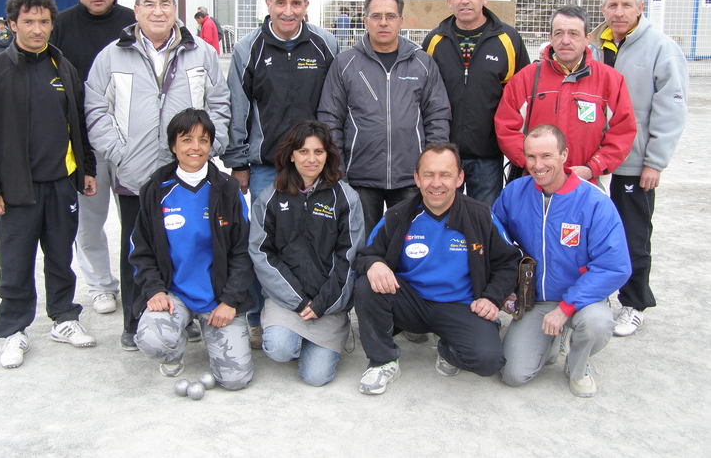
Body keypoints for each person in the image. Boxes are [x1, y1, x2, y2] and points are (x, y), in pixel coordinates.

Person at [85, 0, 230, 351]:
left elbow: (220, 102)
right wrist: (117, 151)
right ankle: (135, 320)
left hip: (190, 173)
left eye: (165, 3)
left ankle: (185, 314)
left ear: (175, 10)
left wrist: (213, 143)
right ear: (136, 11)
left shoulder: (201, 53)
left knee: (190, 242)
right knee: (138, 245)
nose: (158, 11)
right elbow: (95, 108)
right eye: (149, 4)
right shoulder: (112, 56)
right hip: (134, 174)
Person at [0, 0, 98, 369]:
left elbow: (78, 126)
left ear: (52, 24)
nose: (37, 29)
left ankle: (64, 319)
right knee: (16, 261)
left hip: (61, 183)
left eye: (44, 22)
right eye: (28, 22)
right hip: (15, 188)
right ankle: (12, 329)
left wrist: (86, 169)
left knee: (60, 256)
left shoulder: (62, 67)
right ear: (12, 24)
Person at [223, 0, 338, 347]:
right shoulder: (247, 49)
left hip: (315, 166)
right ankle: (259, 317)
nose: (288, 10)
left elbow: (337, 105)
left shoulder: (326, 44)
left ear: (306, 6)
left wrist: (334, 159)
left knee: (316, 240)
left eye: (296, 3)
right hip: (265, 169)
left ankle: (318, 312)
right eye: (281, 2)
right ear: (268, 4)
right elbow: (237, 109)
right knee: (262, 244)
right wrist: (239, 162)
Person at [352, 143, 520, 395]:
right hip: (411, 302)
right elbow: (366, 254)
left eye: (445, 174)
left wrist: (491, 297)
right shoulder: (399, 215)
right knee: (366, 284)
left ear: (460, 178)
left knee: (488, 362)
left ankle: (448, 348)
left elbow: (509, 262)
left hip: (461, 306)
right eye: (429, 175)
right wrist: (374, 264)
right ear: (417, 179)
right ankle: (383, 361)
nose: (436, 183)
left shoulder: (481, 216)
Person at [493, 124, 631, 397]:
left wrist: (567, 307)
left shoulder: (594, 202)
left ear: (564, 154)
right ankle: (551, 341)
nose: (537, 165)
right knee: (513, 374)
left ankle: (578, 367)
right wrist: (506, 290)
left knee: (596, 324)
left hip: (582, 299)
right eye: (530, 157)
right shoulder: (514, 193)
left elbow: (614, 266)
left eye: (546, 156)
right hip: (539, 299)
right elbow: (496, 241)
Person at [589, 0, 689, 337]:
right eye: (612, 5)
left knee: (633, 235)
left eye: (625, 5)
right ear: (603, 9)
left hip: (634, 162)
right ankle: (597, 295)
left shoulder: (661, 48)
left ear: (640, 8)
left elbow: (671, 108)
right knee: (593, 234)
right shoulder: (593, 46)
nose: (618, 12)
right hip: (593, 161)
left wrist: (655, 161)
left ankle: (633, 303)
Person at [129, 108, 253, 387]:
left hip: (218, 298)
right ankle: (173, 348)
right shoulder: (156, 188)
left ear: (211, 146)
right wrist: (155, 290)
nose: (195, 147)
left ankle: (212, 332)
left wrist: (230, 301)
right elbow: (141, 249)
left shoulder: (228, 189)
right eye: (187, 139)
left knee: (235, 380)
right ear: (173, 145)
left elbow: (243, 252)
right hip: (175, 295)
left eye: (203, 140)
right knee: (152, 340)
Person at [318, 0, 451, 238]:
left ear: (401, 20)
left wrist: (431, 167)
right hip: (361, 178)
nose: (383, 22)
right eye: (376, 16)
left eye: (390, 16)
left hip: (410, 178)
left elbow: (437, 116)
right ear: (365, 20)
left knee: (410, 246)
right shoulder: (345, 63)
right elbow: (330, 119)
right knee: (362, 247)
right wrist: (339, 168)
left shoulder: (422, 62)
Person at [249, 120, 364, 386]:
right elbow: (262, 254)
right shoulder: (270, 198)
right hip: (288, 301)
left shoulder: (346, 198)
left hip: (329, 304)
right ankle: (292, 336)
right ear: (291, 155)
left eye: (318, 152)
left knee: (315, 377)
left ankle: (328, 336)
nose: (311, 159)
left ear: (328, 155)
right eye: (303, 151)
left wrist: (322, 303)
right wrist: (299, 301)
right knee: (280, 349)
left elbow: (349, 257)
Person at [51, 0, 136, 316]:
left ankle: (142, 278)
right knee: (90, 220)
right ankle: (101, 285)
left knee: (139, 218)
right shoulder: (61, 26)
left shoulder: (134, 22)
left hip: (133, 141)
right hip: (85, 144)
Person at [422, 0, 529, 204]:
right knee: (444, 218)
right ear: (448, 0)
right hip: (444, 154)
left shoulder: (508, 40)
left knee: (484, 220)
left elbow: (523, 98)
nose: (465, 0)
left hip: (489, 155)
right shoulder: (434, 41)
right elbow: (423, 98)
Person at [495, 5, 636, 184]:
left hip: (585, 182)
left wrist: (592, 168)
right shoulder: (526, 78)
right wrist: (534, 164)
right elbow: (506, 128)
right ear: (550, 38)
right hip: (534, 181)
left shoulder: (610, 81)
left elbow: (622, 133)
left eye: (574, 34)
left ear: (587, 39)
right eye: (559, 33)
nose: (565, 40)